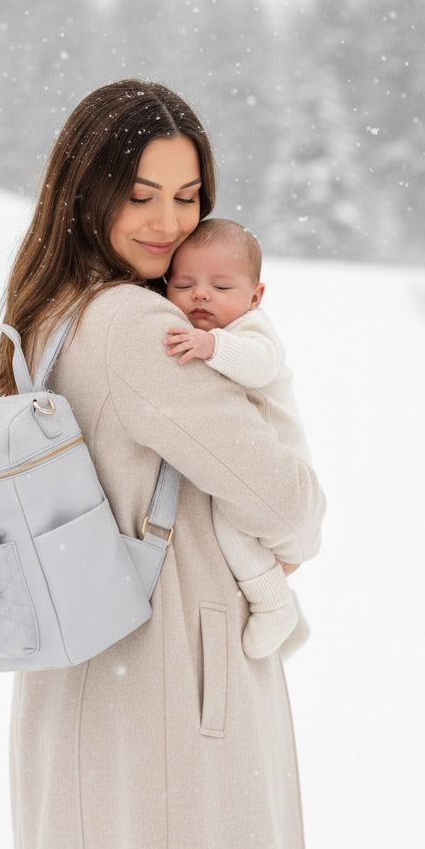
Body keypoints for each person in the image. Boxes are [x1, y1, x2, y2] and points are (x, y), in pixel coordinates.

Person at [0, 79, 326, 849]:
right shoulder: (135, 326)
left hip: (83, 679)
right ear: (87, 190)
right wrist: (292, 528)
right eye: (140, 195)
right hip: (170, 685)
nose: (169, 225)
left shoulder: (48, 318)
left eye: (187, 197)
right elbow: (288, 500)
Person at [163, 217, 314, 659]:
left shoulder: (251, 329)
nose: (200, 295)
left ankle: (274, 603)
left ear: (255, 296)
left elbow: (259, 364)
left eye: (221, 287)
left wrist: (212, 346)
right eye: (184, 284)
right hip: (247, 457)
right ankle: (284, 611)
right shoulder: (202, 329)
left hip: (278, 458)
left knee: (231, 528)